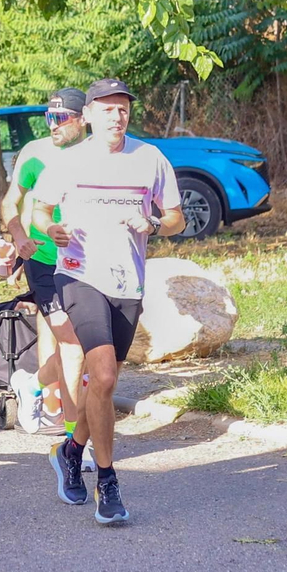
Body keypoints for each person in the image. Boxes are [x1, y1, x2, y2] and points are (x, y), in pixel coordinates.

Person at [32, 78, 184, 525]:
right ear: (90, 115)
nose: (117, 117)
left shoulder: (150, 158)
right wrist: (49, 229)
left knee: (104, 385)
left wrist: (153, 223)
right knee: (100, 371)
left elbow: (175, 217)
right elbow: (40, 210)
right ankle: (108, 480)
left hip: (128, 283)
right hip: (78, 275)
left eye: (123, 109)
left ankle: (70, 450)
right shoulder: (69, 161)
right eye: (108, 109)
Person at [1, 88, 89, 440]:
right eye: (48, 118)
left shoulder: (100, 155)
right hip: (44, 261)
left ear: (84, 119)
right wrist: (18, 237)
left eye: (61, 118)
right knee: (72, 346)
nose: (52, 126)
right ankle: (73, 438)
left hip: (87, 263)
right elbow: (10, 202)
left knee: (85, 350)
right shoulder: (35, 153)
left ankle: (30, 383)